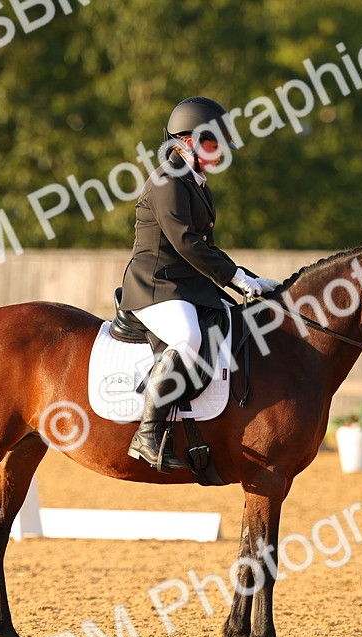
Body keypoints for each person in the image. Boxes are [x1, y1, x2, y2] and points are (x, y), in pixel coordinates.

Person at [119, 96, 280, 471]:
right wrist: (235, 278)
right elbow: (185, 242)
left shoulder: (195, 182)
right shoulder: (167, 180)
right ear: (186, 141)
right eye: (212, 143)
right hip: (156, 286)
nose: (219, 151)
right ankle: (147, 433)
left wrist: (247, 278)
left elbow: (205, 246)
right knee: (188, 337)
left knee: (232, 321)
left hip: (185, 286)